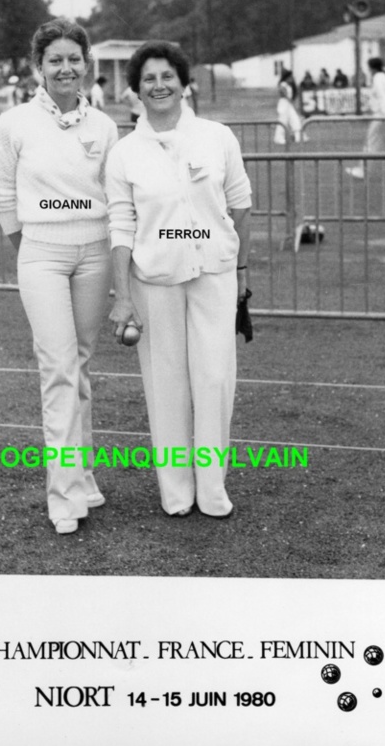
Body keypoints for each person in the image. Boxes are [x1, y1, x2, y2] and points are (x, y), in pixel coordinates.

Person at [106, 41, 252, 518]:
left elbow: (240, 205)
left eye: (167, 75)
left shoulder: (217, 136)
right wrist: (123, 297)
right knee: (165, 385)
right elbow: (121, 226)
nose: (159, 85)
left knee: (214, 380)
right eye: (148, 78)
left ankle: (212, 490)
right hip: (155, 281)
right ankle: (176, 492)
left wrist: (242, 269)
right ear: (136, 88)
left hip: (214, 275)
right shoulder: (124, 153)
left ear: (183, 81)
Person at [0, 19, 118, 535]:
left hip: (94, 252)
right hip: (40, 252)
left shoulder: (104, 126)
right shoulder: (14, 123)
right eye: (55, 60)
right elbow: (1, 196)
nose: (66, 68)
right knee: (58, 367)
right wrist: (33, 250)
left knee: (81, 364)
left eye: (73, 59)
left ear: (86, 64)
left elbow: (114, 197)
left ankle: (82, 476)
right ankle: (63, 496)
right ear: (37, 67)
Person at [274, 76, 304, 144]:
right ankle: (279, 138)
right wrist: (289, 99)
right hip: (284, 103)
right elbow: (282, 92)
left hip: (288, 104)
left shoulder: (289, 85)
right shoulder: (283, 84)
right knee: (283, 121)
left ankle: (298, 136)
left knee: (295, 119)